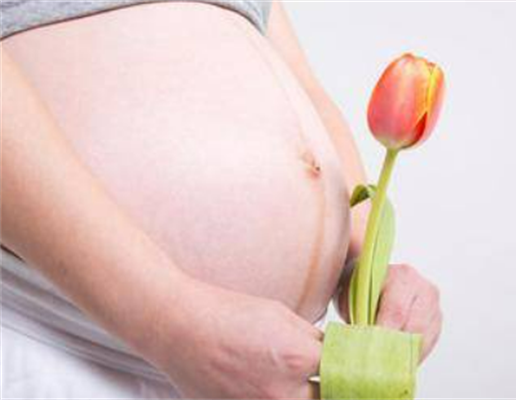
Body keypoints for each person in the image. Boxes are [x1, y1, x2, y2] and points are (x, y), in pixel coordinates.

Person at [0, 0, 443, 398]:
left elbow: (304, 84)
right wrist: (170, 322)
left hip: (257, 368)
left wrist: (365, 267)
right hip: (67, 346)